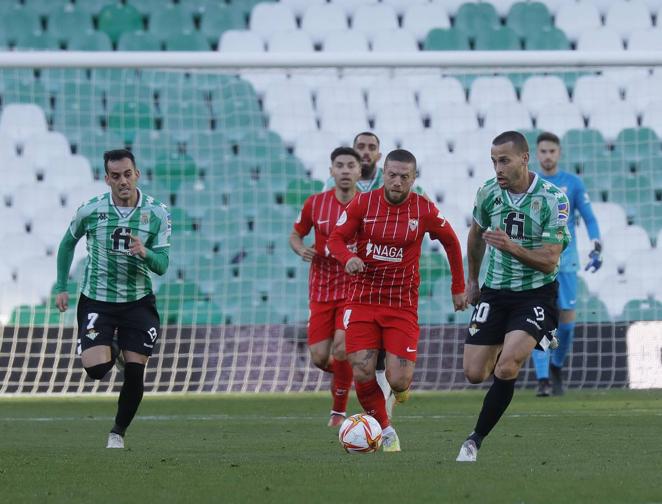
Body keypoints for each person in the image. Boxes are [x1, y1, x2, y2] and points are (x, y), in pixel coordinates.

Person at [327, 149, 467, 452]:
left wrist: (458, 286)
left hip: (401, 306)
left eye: (405, 176)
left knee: (399, 380)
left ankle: (401, 390)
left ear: (413, 178)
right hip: (363, 300)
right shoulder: (363, 203)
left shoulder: (423, 209)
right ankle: (387, 432)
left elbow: (452, 242)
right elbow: (335, 238)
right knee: (361, 370)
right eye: (392, 174)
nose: (397, 181)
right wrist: (348, 257)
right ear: (383, 173)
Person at [456, 131, 571, 462]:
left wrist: (512, 247)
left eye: (503, 160)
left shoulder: (553, 199)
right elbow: (476, 235)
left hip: (536, 294)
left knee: (506, 368)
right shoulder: (489, 193)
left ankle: (474, 440)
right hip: (494, 292)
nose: (497, 169)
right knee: (475, 373)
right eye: (493, 161)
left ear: (524, 158)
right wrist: (473, 281)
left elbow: (550, 259)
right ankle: (513, 342)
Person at [55, 149, 170, 449]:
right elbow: (67, 244)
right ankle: (115, 348)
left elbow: (163, 265)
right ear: (107, 179)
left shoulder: (157, 213)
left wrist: (145, 252)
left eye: (127, 174)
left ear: (137, 174)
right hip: (97, 300)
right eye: (116, 176)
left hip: (138, 302)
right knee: (95, 370)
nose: (123, 181)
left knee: (135, 370)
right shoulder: (90, 210)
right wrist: (61, 286)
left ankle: (117, 432)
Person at [324, 131, 427, 417]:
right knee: (344, 354)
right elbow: (335, 236)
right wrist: (348, 256)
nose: (365, 152)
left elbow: (430, 226)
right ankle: (371, 418)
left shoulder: (412, 197)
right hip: (352, 285)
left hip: (395, 292)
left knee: (387, 366)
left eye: (371, 147)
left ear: (379, 155)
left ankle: (379, 411)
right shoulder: (341, 193)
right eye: (361, 147)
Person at [290, 147, 362, 427]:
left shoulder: (368, 205)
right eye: (340, 165)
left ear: (359, 171)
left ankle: (338, 412)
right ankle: (350, 375)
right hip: (321, 289)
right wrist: (300, 250)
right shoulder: (315, 204)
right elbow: (296, 234)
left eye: (350, 165)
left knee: (342, 349)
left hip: (353, 288)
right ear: (331, 171)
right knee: (320, 357)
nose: (345, 170)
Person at [531, 132, 602, 397]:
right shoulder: (531, 183)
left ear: (558, 153)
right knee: (539, 317)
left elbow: (589, 218)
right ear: (537, 155)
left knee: (567, 321)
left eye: (552, 151)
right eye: (543, 151)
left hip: (567, 259)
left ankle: (557, 365)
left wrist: (596, 243)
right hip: (537, 259)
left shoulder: (572, 183)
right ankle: (543, 378)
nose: (547, 156)